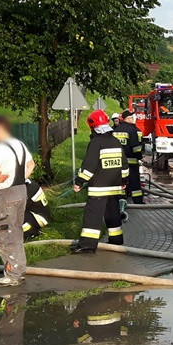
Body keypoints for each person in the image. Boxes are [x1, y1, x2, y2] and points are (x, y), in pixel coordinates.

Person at [0, 115, 35, 287]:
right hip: (21, 190)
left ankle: (12, 275)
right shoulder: (18, 144)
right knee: (16, 231)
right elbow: (31, 164)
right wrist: (19, 178)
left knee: (4, 233)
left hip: (7, 194)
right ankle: (19, 270)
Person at [70, 109, 128, 254]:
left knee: (93, 216)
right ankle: (116, 241)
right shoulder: (115, 141)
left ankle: (88, 245)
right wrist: (124, 181)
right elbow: (124, 165)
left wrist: (79, 182)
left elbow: (89, 166)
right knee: (113, 214)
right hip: (115, 187)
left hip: (99, 189)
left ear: (93, 127)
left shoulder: (96, 143)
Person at [113, 109, 144, 204]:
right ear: (127, 119)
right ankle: (137, 201)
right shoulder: (132, 130)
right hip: (131, 162)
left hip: (118, 162)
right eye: (131, 117)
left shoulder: (115, 130)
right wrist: (139, 157)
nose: (132, 119)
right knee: (134, 182)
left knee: (120, 181)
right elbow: (136, 147)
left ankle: (121, 199)